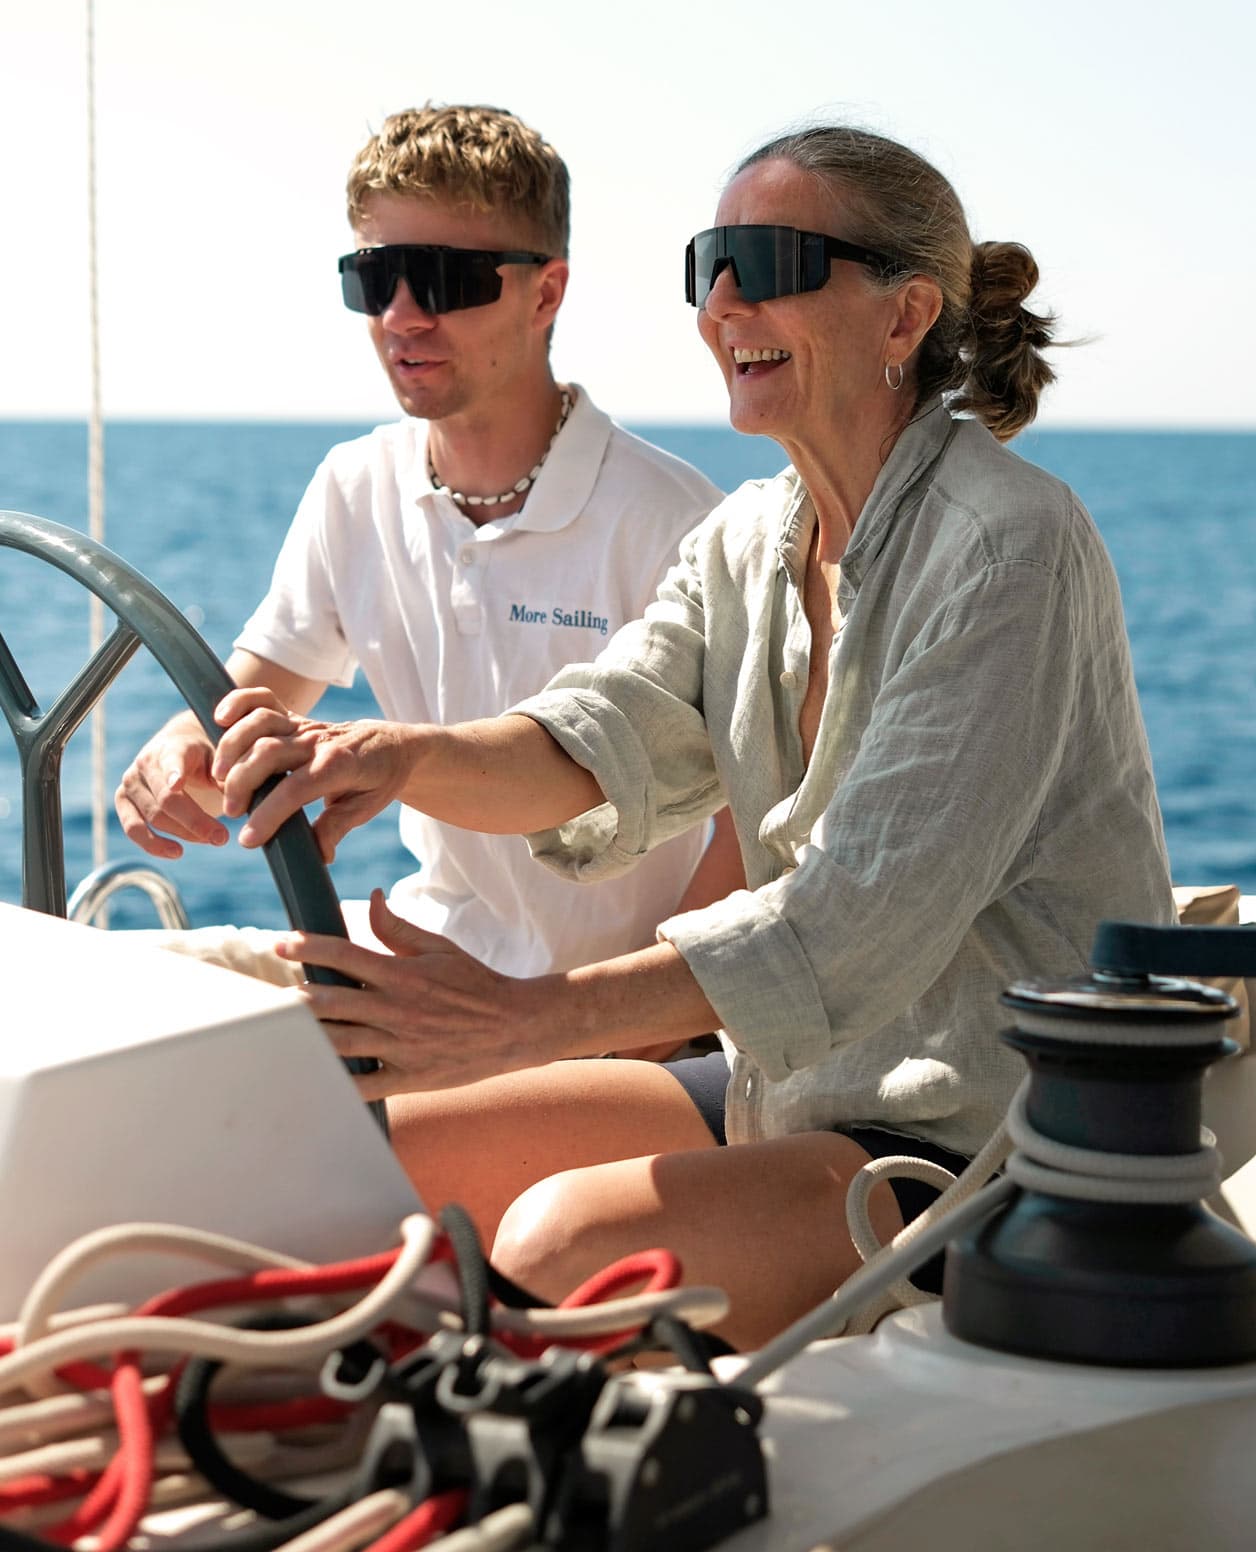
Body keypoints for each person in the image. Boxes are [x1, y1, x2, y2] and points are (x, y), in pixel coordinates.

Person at [208, 123, 1175, 1351]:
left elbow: (847, 925)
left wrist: (516, 1020)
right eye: (708, 264)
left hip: (1006, 1139)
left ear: (904, 313)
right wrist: (393, 755)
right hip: (796, 1092)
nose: (721, 303)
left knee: (567, 1244)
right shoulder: (748, 539)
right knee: (339, 1147)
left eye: (766, 263)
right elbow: (591, 740)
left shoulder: (1006, 546)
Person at [115, 102, 736, 977]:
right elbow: (255, 693)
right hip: (412, 958)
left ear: (545, 293)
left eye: (444, 280)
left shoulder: (675, 521)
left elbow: (752, 827)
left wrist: (628, 1030)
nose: (402, 316)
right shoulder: (354, 486)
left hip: (593, 1006)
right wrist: (185, 742)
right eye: (376, 279)